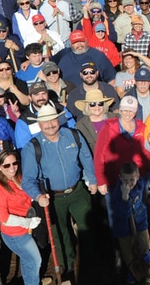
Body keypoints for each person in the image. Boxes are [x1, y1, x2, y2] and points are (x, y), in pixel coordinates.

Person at [21, 106, 100, 274]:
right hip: (53, 196)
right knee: (60, 233)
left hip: (77, 189)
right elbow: (27, 180)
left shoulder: (73, 135)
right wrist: (38, 196)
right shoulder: (32, 147)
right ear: (39, 124)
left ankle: (92, 260)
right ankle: (67, 264)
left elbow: (86, 157)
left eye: (53, 120)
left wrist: (92, 180)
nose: (50, 124)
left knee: (88, 226)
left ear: (59, 120)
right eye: (45, 121)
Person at [0, 149, 50, 285]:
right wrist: (26, 222)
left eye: (14, 163)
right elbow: (4, 217)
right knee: (35, 259)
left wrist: (40, 195)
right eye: (7, 165)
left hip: (28, 223)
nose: (12, 168)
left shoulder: (20, 177)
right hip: (14, 232)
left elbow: (31, 190)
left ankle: (31, 282)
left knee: (28, 259)